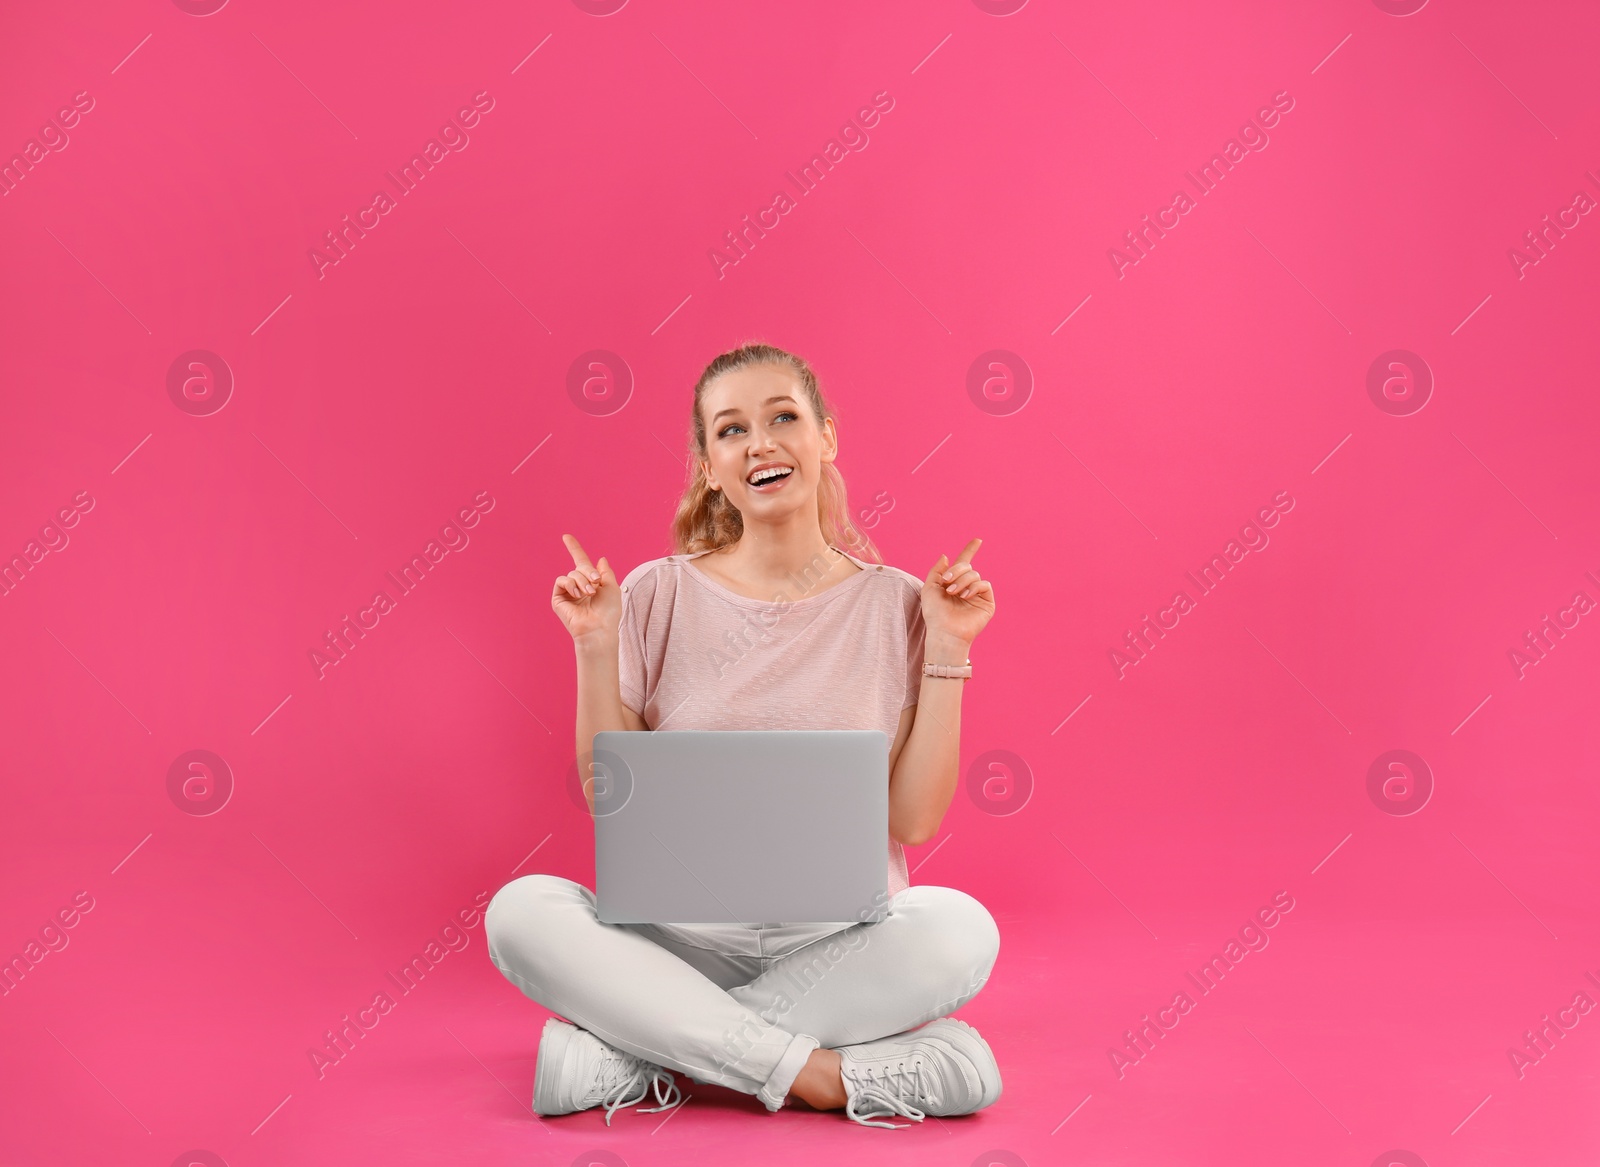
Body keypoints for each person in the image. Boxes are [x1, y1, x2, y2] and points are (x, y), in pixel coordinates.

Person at [484, 341, 1003, 1129]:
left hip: (840, 946)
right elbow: (606, 795)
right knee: (520, 910)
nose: (758, 442)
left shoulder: (899, 604)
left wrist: (950, 646)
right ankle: (821, 1075)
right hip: (676, 943)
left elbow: (913, 822)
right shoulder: (655, 592)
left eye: (782, 417)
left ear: (826, 437)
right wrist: (594, 642)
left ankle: (654, 1052)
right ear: (709, 468)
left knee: (963, 927)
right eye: (730, 431)